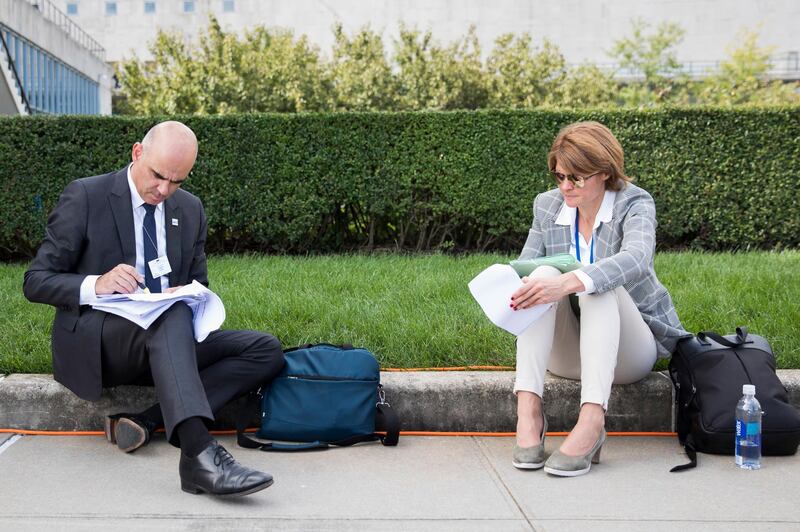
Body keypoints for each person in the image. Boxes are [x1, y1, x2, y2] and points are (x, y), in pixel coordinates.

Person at [23, 121, 284, 497]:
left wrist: (190, 293)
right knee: (171, 314)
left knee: (265, 349)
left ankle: (148, 420)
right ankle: (198, 453)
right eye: (158, 176)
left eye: (176, 181)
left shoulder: (189, 209)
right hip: (104, 343)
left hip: (167, 343)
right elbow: (36, 280)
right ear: (137, 153)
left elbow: (198, 282)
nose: (164, 190)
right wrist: (95, 284)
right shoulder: (86, 196)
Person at [509, 121, 689, 477]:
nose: (564, 186)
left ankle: (592, 422)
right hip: (566, 356)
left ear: (604, 172)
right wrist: (515, 286)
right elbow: (524, 266)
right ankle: (528, 411)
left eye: (576, 177)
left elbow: (637, 258)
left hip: (628, 356)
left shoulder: (634, 202)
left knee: (595, 284)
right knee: (541, 274)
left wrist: (572, 282)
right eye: (559, 175)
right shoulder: (547, 206)